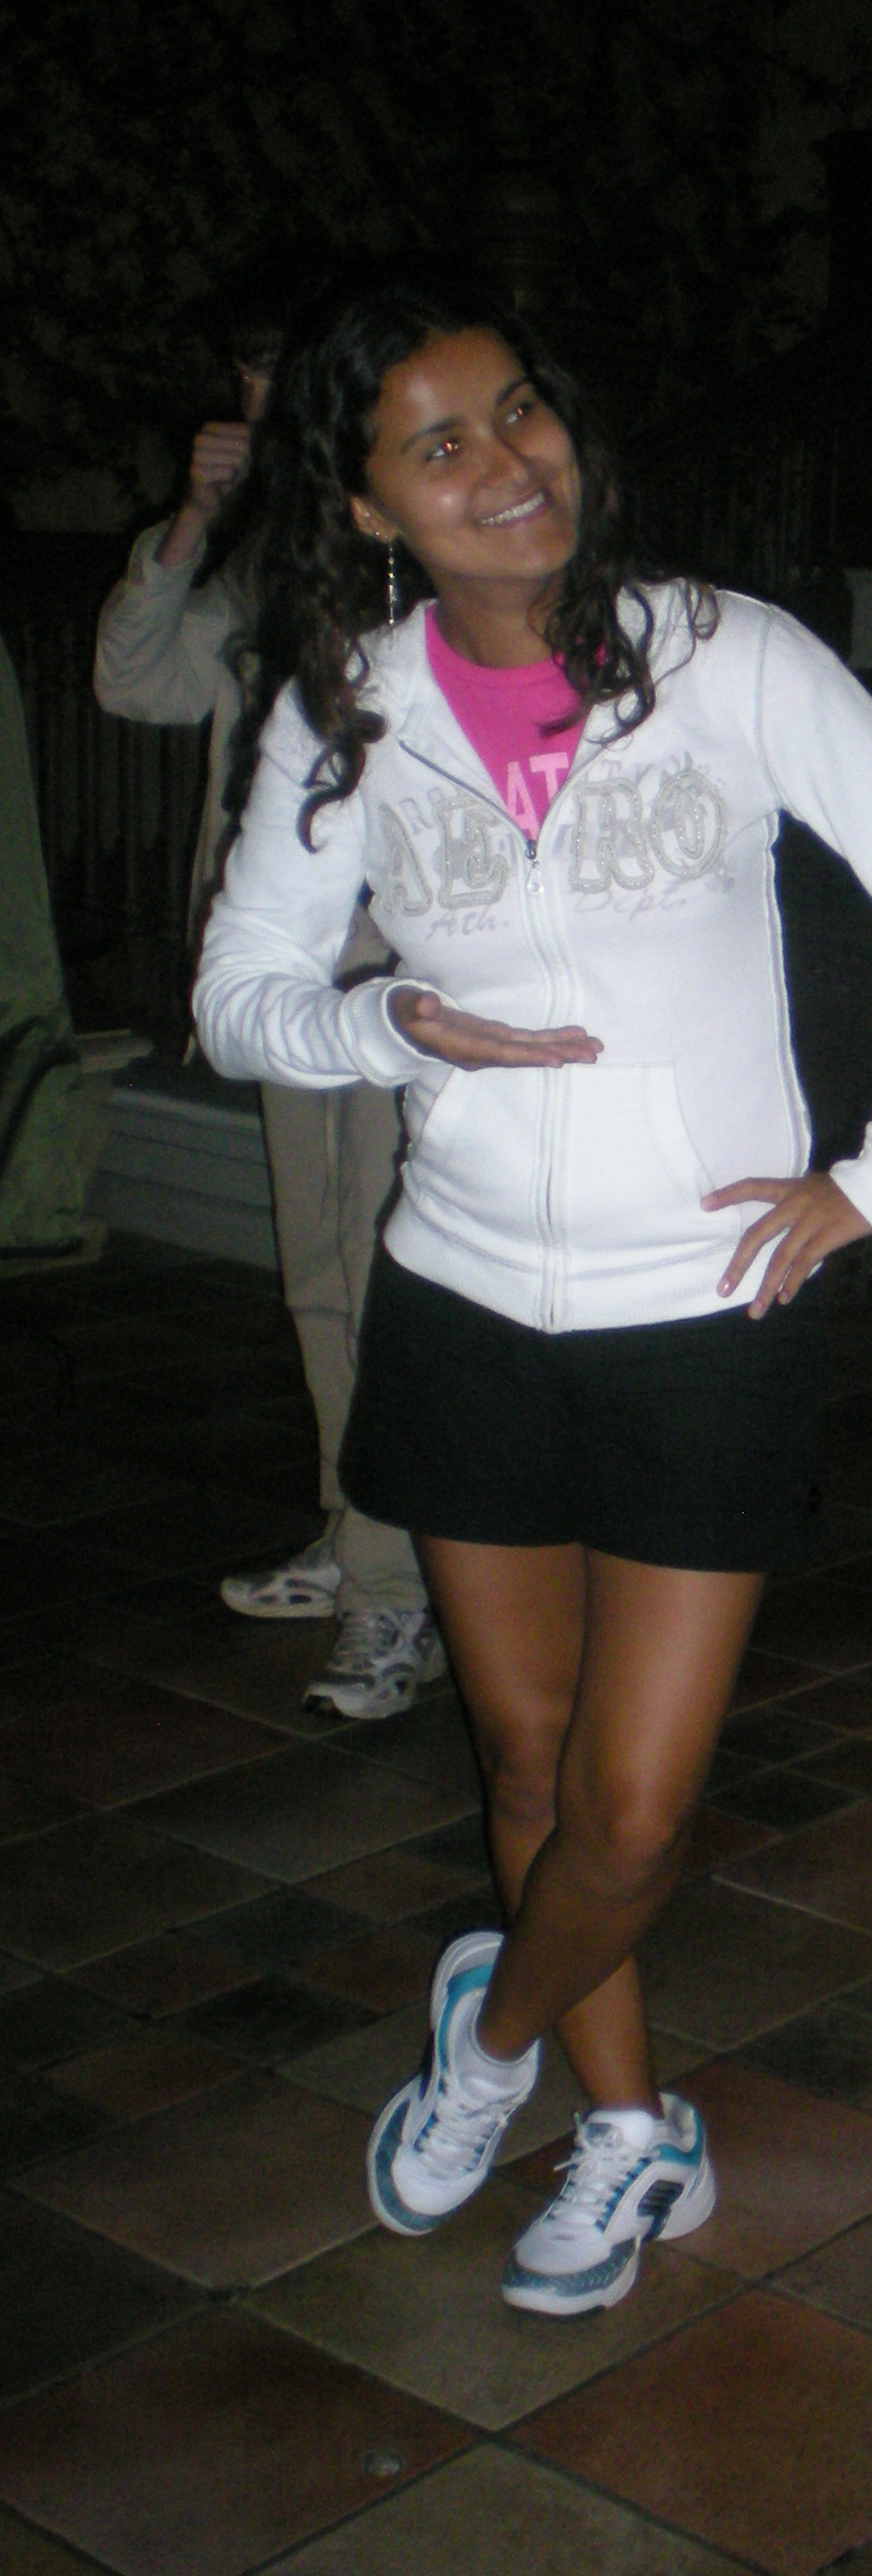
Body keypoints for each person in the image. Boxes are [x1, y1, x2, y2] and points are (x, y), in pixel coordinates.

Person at [195, 278, 872, 2315]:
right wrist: (390, 1026)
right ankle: (632, 2127)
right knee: (529, 1768)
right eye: (440, 444)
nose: (506, 463)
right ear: (369, 507)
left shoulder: (728, 658)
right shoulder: (345, 705)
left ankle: (490, 2044)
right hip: (464, 1301)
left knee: (633, 1814)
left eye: (522, 412)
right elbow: (237, 1000)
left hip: (707, 1304)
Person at [94, 286, 440, 1720]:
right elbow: (132, 682)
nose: (253, 415)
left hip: (391, 961)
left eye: (274, 387)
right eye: (241, 389)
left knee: (376, 1266)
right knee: (316, 1274)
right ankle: (357, 1537)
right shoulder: (254, 570)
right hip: (282, 966)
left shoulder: (400, 546)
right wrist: (189, 520)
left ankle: (397, 1589)